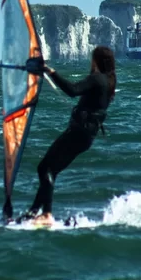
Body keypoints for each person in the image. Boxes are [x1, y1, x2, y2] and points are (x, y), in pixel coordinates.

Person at [20, 45, 117, 223]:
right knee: (51, 170)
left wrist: (51, 72)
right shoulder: (108, 82)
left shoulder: (97, 79)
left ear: (96, 61)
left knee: (45, 168)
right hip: (87, 136)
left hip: (78, 133)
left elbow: (73, 90)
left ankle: (46, 214)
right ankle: (35, 211)